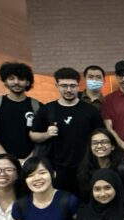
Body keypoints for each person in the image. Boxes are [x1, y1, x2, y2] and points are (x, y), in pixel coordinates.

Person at [30, 67, 104, 195]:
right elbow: (33, 135)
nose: (69, 90)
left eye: (72, 86)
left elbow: (101, 136)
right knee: (61, 206)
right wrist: (46, 134)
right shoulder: (47, 109)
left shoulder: (90, 110)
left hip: (85, 168)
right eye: (64, 86)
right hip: (57, 169)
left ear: (78, 86)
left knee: (84, 204)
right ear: (57, 86)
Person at [0, 61, 40, 160]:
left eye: (21, 79)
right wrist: (8, 159)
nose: (16, 82)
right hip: (2, 162)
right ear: (5, 81)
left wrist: (29, 160)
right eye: (11, 78)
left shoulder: (38, 107)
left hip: (31, 163)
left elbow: (42, 139)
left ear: (28, 82)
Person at [76, 128, 124, 206]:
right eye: (95, 143)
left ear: (112, 146)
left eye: (104, 142)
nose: (99, 146)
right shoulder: (85, 168)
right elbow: (85, 197)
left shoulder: (122, 168)